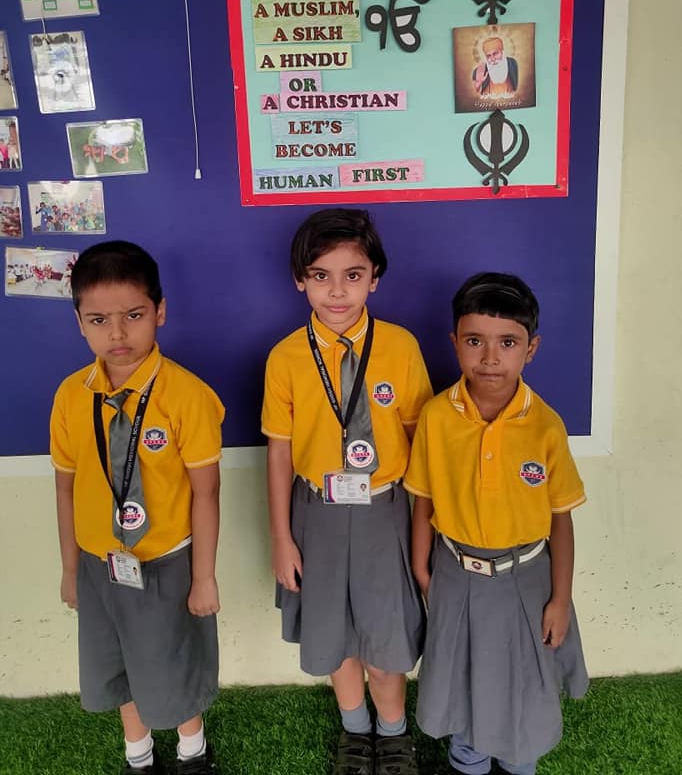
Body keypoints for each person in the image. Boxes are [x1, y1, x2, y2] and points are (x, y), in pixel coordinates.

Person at [262, 208, 433, 775]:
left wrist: (426, 531)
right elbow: (280, 452)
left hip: (387, 510)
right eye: (321, 276)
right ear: (300, 280)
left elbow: (421, 443)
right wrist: (282, 538)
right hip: (317, 512)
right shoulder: (285, 357)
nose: (337, 291)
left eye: (353, 275)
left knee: (385, 637)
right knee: (335, 636)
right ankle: (355, 732)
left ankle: (394, 734)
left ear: (374, 278)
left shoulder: (400, 347)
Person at [50, 240, 225, 775]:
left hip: (166, 563)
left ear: (160, 312)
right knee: (118, 664)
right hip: (99, 564)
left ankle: (192, 751)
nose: (117, 334)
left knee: (173, 662)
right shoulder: (71, 396)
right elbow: (65, 489)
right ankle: (139, 754)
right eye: (99, 320)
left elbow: (206, 492)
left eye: (133, 315)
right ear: (80, 323)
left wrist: (204, 577)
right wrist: (71, 569)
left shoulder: (187, 396)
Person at [405, 272, 588, 775]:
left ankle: (518, 761)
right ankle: (468, 760)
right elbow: (422, 500)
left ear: (531, 349)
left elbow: (561, 519)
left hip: (526, 580)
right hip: (454, 573)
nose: (490, 357)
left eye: (507, 342)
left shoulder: (545, 425)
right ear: (455, 343)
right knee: (463, 684)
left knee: (522, 686)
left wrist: (560, 599)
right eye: (475, 341)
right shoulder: (437, 417)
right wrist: (422, 570)